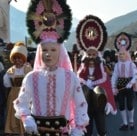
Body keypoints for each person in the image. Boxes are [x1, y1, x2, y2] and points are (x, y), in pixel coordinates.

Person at [13, 0, 89, 135]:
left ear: (60, 52)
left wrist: (78, 127)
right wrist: (26, 118)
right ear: (39, 52)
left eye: (53, 50)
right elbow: (21, 102)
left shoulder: (70, 77)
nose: (48, 54)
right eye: (44, 50)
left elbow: (80, 104)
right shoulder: (31, 77)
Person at [76, 15, 117, 136]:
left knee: (101, 126)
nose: (92, 57)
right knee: (87, 127)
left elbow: (107, 85)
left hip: (99, 105)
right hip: (85, 105)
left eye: (94, 54)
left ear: (97, 55)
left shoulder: (102, 69)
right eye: (89, 54)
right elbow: (76, 86)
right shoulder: (81, 70)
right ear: (85, 55)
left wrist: (108, 102)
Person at [111, 32, 137, 131]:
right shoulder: (117, 65)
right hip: (120, 86)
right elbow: (114, 76)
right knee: (122, 105)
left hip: (129, 85)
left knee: (130, 104)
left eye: (123, 54)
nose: (122, 55)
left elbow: (136, 75)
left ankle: (131, 121)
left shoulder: (131, 64)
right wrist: (113, 87)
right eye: (120, 54)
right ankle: (125, 123)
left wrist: (131, 83)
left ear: (127, 54)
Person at [3, 42, 32, 135]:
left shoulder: (28, 69)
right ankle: (12, 129)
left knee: (24, 110)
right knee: (12, 111)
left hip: (24, 93)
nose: (17, 60)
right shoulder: (10, 71)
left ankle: (23, 129)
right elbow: (6, 84)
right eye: (15, 58)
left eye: (19, 58)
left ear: (23, 58)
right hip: (14, 93)